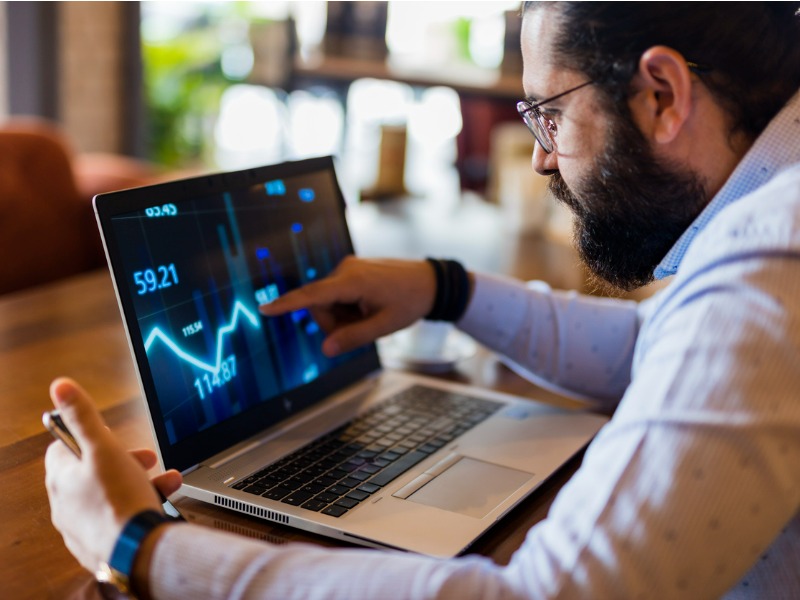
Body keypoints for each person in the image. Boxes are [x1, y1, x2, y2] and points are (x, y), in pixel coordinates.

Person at [44, 2, 800, 598]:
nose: (540, 157)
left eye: (551, 114)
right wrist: (444, 290)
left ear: (660, 94)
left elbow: (549, 595)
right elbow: (653, 346)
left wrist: (144, 545)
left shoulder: (767, 268)